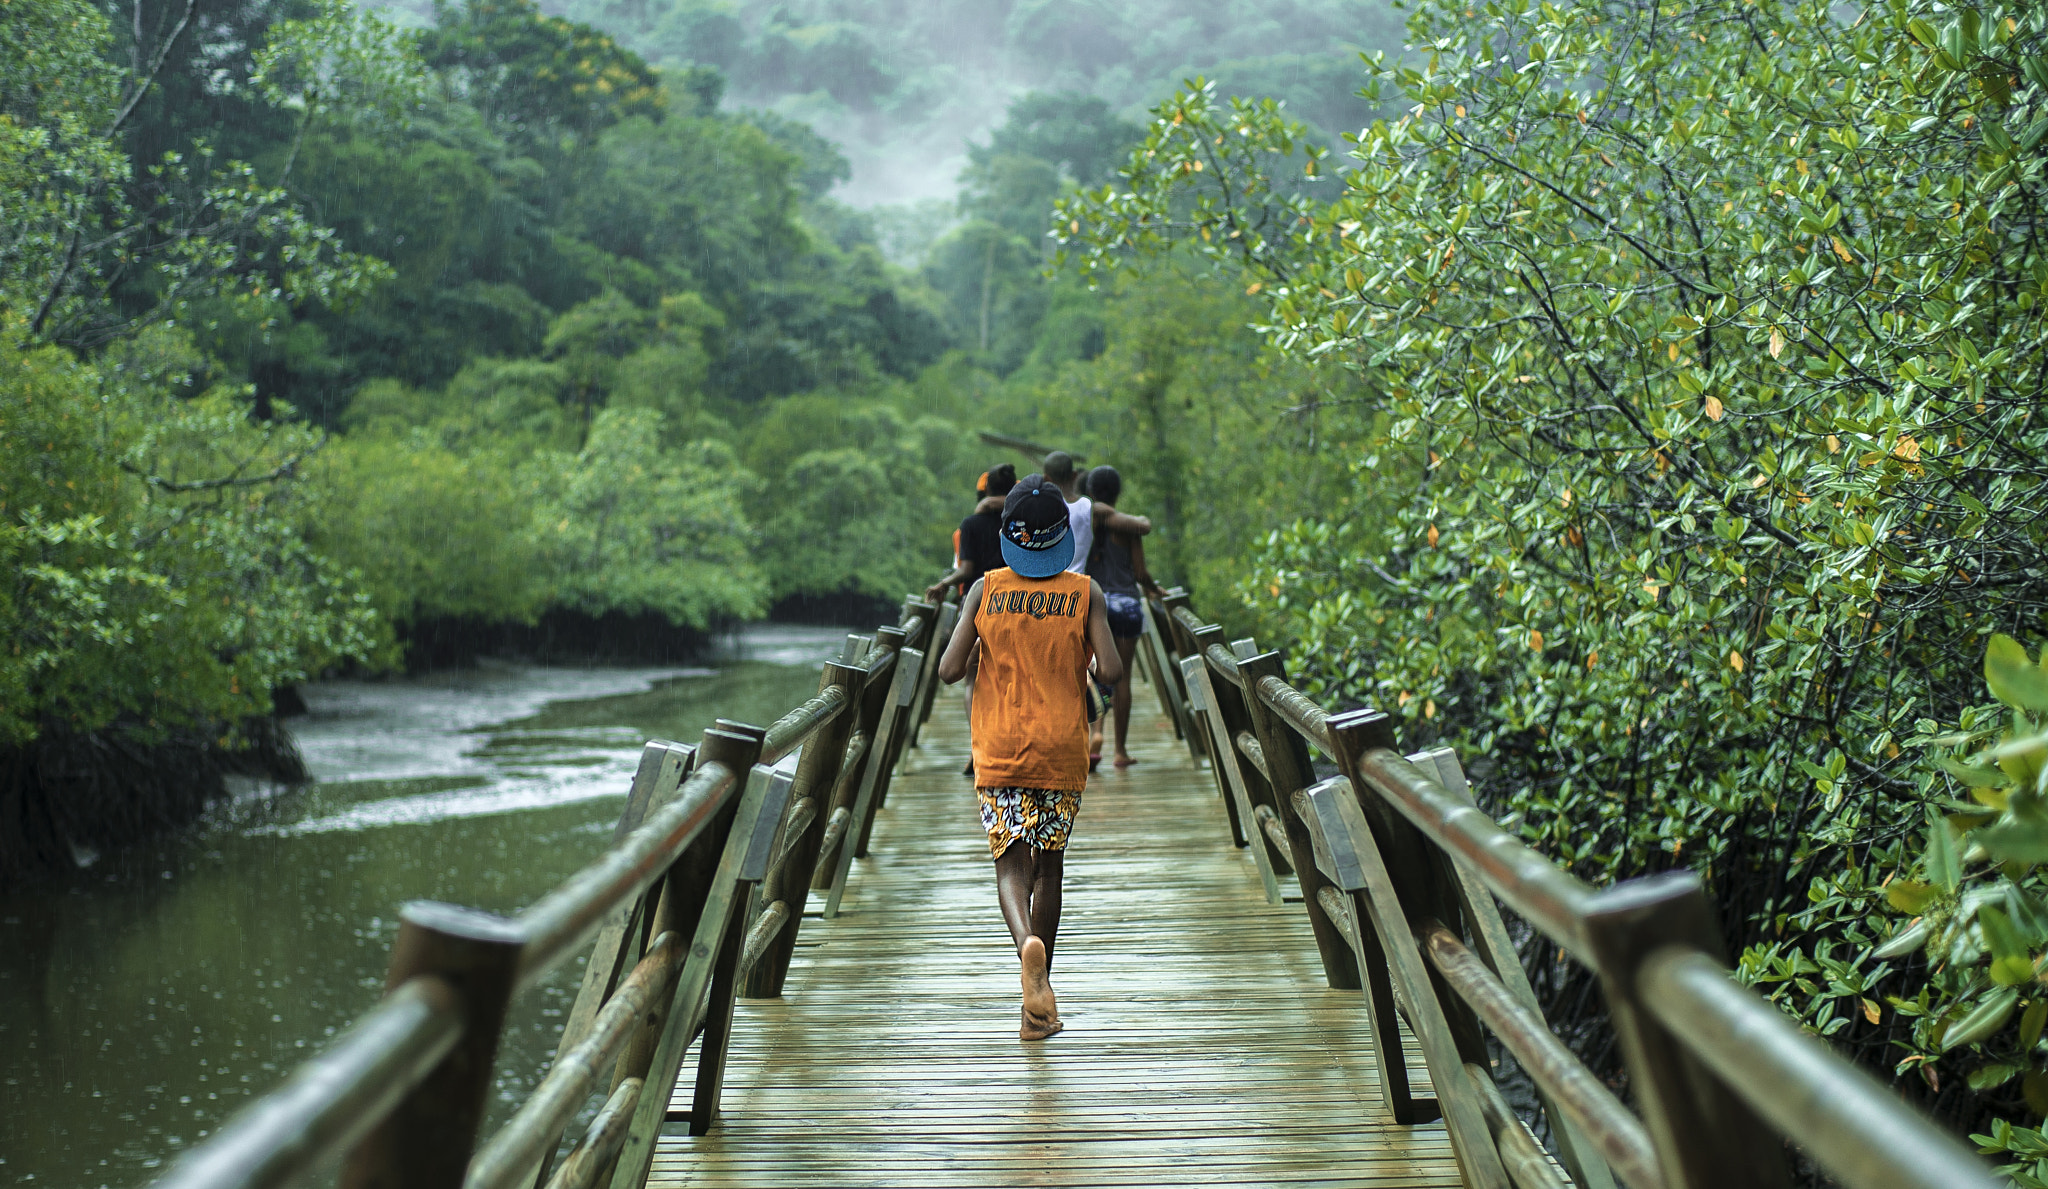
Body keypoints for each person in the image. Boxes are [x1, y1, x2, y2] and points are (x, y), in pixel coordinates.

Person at [937, 473, 1121, 1040]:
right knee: (1051, 866)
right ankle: (1036, 1003)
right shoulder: (1083, 591)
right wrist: (1085, 667)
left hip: (999, 750)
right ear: (1061, 534)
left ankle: (1026, 959)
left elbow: (947, 670)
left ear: (1007, 533)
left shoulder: (985, 589)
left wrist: (986, 653)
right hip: (1062, 748)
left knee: (1011, 864)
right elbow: (1111, 671)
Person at [927, 465, 1018, 775]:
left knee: (972, 679)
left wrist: (943, 584)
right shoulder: (1018, 521)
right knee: (1012, 675)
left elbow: (966, 571)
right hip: (1015, 603)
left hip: (979, 604)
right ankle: (1012, 742)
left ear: (985, 491)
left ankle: (979, 746)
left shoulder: (971, 524)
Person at [1083, 465, 1165, 769]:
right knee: (1123, 678)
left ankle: (1096, 733)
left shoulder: (1085, 523)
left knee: (1093, 672)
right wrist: (1156, 590)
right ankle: (1119, 751)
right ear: (1117, 492)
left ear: (1090, 491)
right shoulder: (1129, 528)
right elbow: (1141, 573)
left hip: (1094, 603)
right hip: (1127, 605)